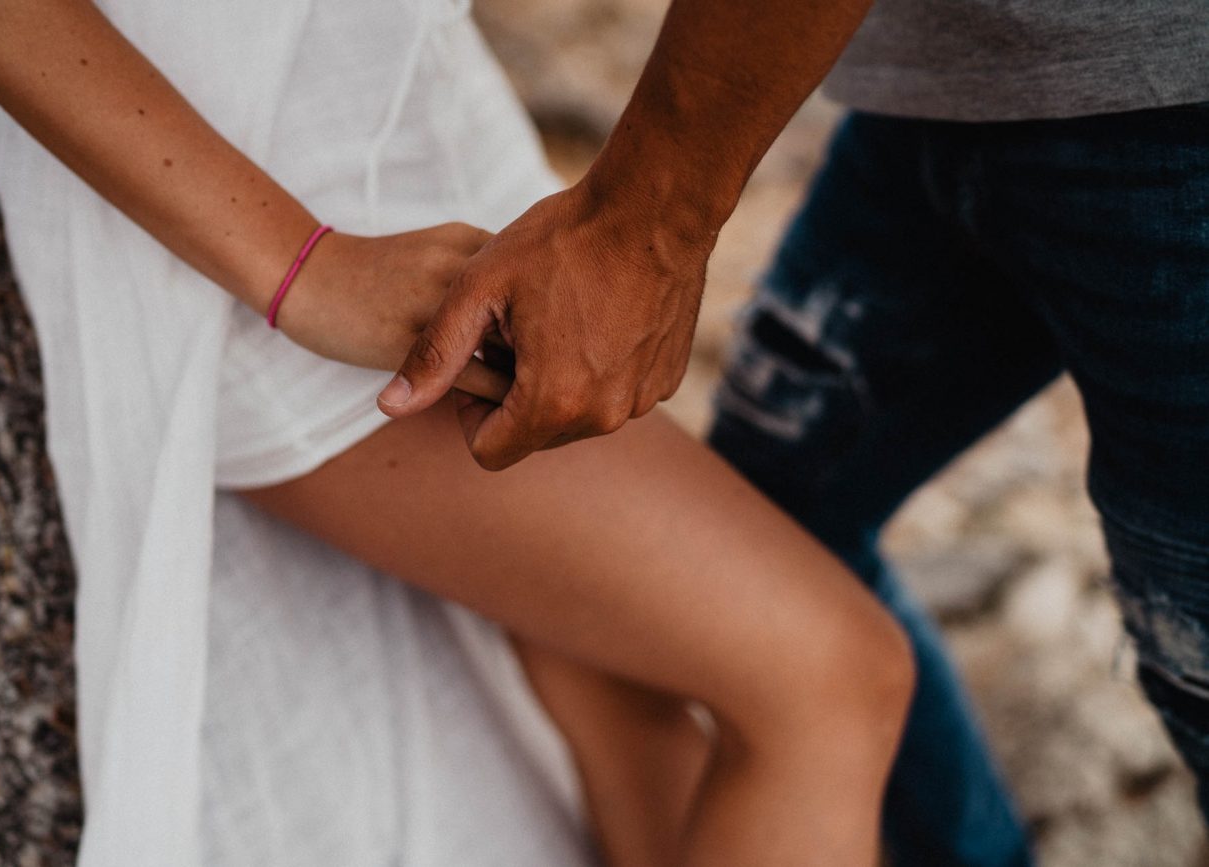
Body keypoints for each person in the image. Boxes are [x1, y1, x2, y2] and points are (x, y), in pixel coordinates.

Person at [0, 1, 914, 865]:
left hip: (417, 137)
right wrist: (301, 268)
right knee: (822, 683)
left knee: (625, 707)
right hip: (228, 230)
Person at [380, 1, 1209, 865]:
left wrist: (646, 224)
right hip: (930, 86)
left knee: (1194, 658)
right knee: (773, 521)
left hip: (1171, 105)